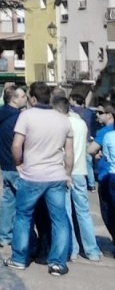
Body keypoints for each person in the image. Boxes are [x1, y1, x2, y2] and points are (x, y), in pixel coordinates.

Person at [5, 81, 73, 276]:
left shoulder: (26, 116)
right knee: (59, 219)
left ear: (32, 98)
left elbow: (17, 146)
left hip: (32, 175)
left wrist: (18, 164)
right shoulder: (63, 119)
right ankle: (57, 263)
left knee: (23, 216)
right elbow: (69, 154)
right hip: (56, 176)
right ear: (49, 98)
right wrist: (67, 174)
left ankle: (18, 258)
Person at [52, 93, 101, 261]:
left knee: (65, 212)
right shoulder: (81, 123)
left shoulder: (62, 124)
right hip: (80, 170)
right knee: (83, 212)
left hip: (65, 171)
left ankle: (72, 250)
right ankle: (92, 250)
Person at [0, 84, 28, 247]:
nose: (25, 98)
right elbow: (20, 143)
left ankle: (4, 236)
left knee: (8, 202)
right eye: (22, 96)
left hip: (5, 164)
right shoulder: (18, 119)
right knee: (24, 205)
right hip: (17, 165)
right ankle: (23, 239)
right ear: (13, 99)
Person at [89, 103, 115, 243]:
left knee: (108, 211)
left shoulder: (105, 132)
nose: (97, 115)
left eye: (100, 112)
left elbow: (91, 149)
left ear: (110, 114)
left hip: (107, 175)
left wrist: (97, 154)